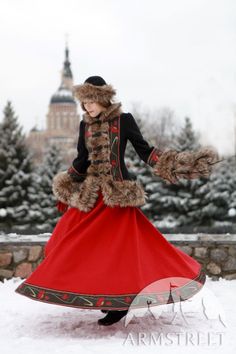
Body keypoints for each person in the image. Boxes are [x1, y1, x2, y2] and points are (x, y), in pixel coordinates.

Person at [15, 76, 219, 326]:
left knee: (118, 253)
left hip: (117, 197)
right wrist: (66, 185)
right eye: (84, 101)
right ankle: (95, 293)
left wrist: (180, 165)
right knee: (65, 236)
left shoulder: (124, 121)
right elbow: (82, 160)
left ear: (102, 98)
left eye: (91, 100)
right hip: (92, 195)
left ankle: (120, 302)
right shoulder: (84, 125)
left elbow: (145, 152)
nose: (87, 106)